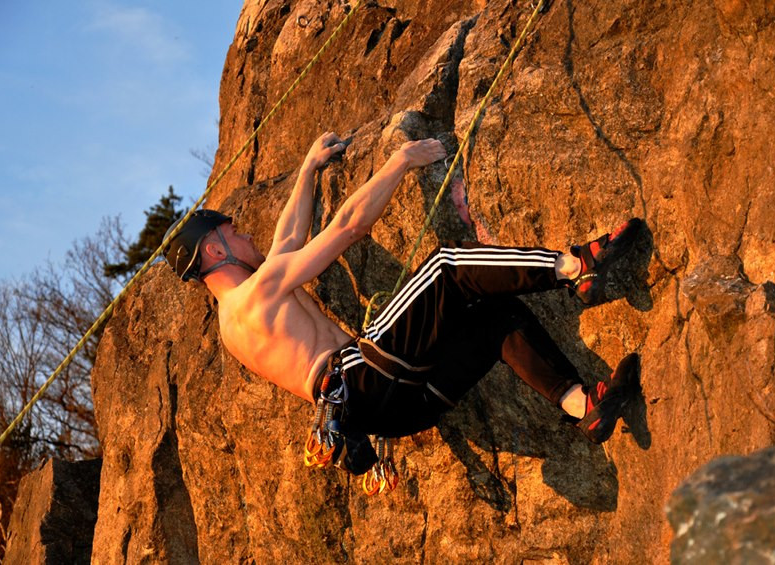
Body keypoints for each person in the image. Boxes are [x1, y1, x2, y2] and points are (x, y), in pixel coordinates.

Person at [163, 132, 640, 474]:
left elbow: (288, 240)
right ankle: (574, 267)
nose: (247, 235)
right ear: (214, 250)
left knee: (495, 317)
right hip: (363, 373)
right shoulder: (257, 291)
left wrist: (308, 170)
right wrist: (401, 161)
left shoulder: (234, 322)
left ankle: (582, 405)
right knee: (448, 266)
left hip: (393, 412)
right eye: (234, 233)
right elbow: (348, 227)